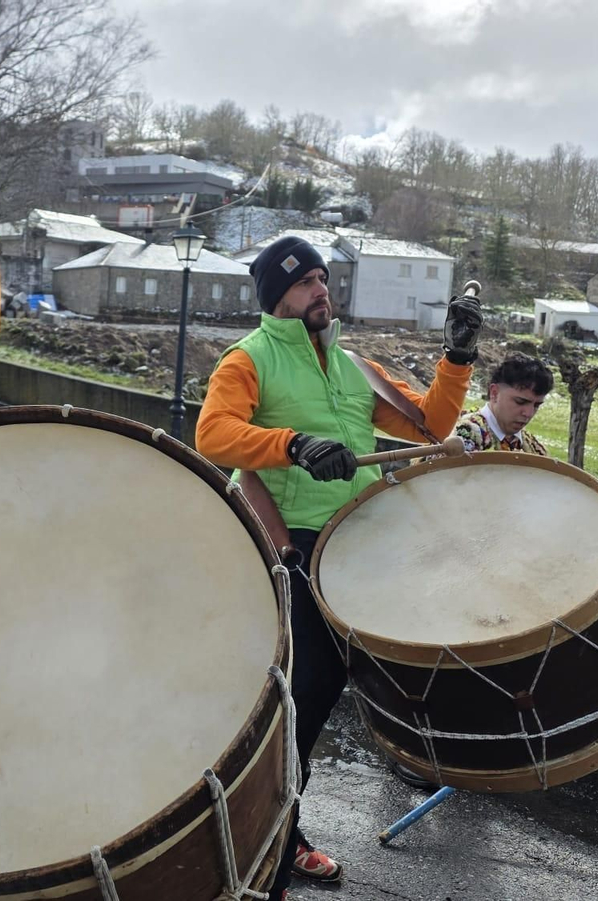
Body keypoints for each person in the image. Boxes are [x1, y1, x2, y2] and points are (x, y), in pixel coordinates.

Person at [196, 236, 481, 887]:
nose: (321, 290)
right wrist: (293, 443)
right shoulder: (249, 360)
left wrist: (458, 357)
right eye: (305, 283)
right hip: (289, 550)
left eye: (324, 278)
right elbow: (212, 435)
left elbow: (433, 424)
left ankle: (274, 828)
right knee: (303, 699)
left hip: (358, 551)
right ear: (277, 297)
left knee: (320, 701)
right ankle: (271, 838)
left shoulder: (357, 367)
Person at [454, 354, 553, 456]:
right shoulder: (462, 437)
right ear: (495, 393)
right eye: (520, 402)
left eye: (536, 405)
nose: (528, 413)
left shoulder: (535, 450)